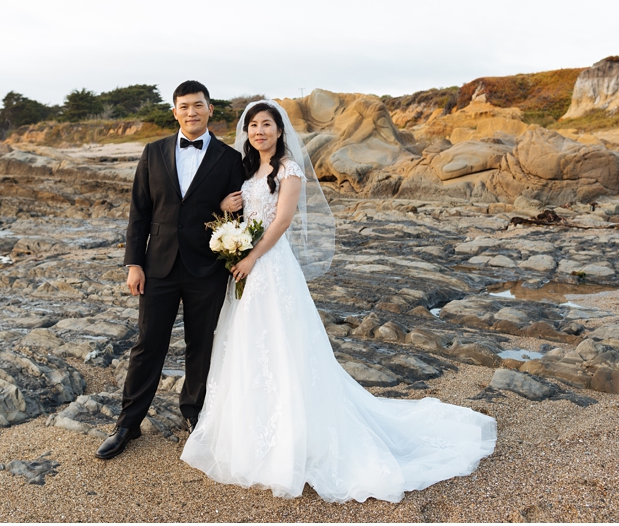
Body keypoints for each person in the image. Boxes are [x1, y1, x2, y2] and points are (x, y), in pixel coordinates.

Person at [180, 100, 497, 503]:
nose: (259, 131)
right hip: (246, 269)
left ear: (280, 131)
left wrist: (251, 256)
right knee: (248, 346)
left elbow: (281, 222)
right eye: (253, 125)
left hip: (271, 267)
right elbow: (245, 214)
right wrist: (228, 213)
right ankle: (253, 436)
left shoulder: (289, 171)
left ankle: (296, 443)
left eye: (267, 125)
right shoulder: (247, 170)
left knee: (285, 348)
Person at [96, 80, 245, 460]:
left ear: (211, 109)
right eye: (184, 106)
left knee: (202, 345)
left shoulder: (230, 160)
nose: (191, 112)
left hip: (207, 267)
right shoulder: (153, 151)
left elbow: (242, 214)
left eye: (198, 105)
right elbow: (139, 212)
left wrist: (230, 211)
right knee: (148, 345)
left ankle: (194, 417)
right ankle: (128, 424)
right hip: (157, 265)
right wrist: (134, 263)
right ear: (174, 111)